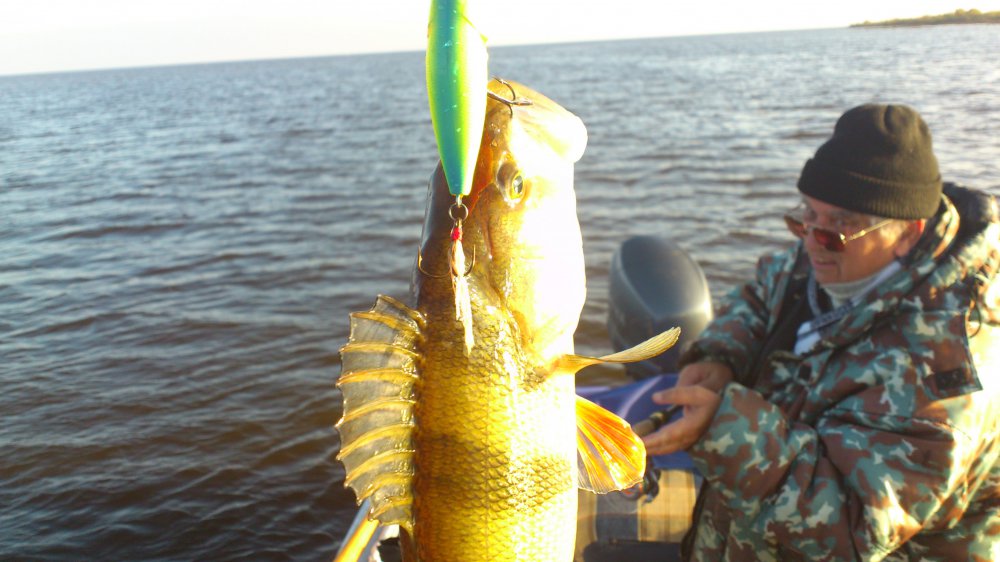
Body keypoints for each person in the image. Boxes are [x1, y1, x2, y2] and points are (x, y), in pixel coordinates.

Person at [642, 103, 1000, 561]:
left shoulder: (948, 366)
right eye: (805, 217)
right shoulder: (827, 257)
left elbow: (852, 529)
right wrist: (720, 356)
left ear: (908, 234)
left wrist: (723, 431)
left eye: (838, 226)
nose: (812, 242)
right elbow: (760, 295)